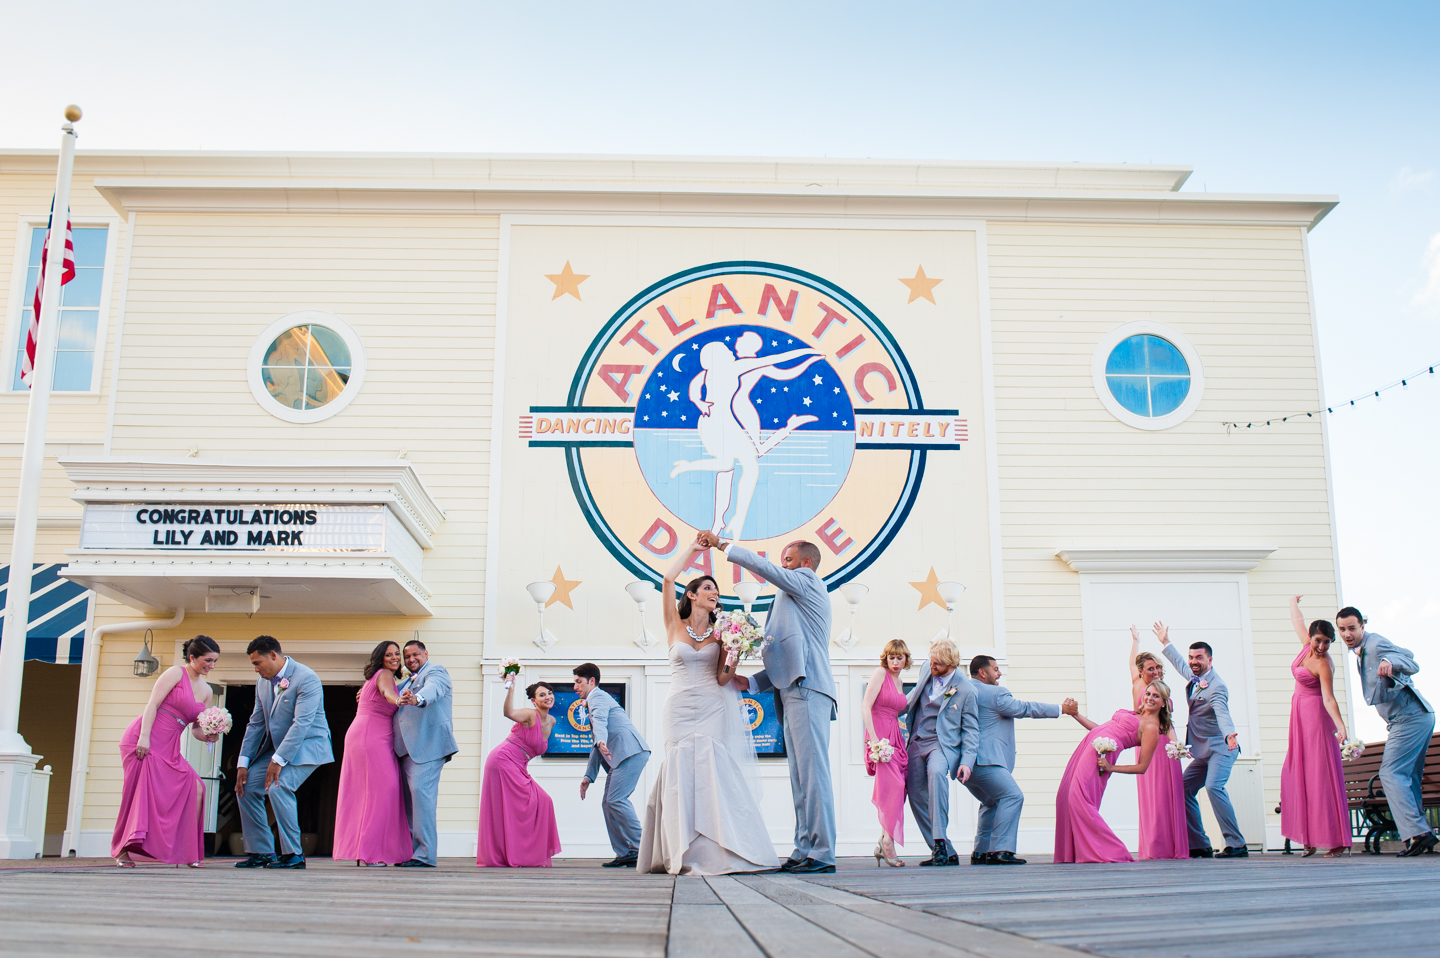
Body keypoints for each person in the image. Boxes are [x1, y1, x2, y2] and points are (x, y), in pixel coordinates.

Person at [637, 535, 778, 875]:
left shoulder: (723, 631)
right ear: (692, 594)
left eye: (717, 593)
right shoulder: (674, 624)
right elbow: (668, 579)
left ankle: (720, 851)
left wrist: (736, 652)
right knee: (679, 767)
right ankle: (678, 852)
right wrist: (693, 550)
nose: (715, 595)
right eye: (708, 590)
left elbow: (723, 679)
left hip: (713, 703)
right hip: (679, 705)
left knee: (713, 766)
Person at [702, 528, 836, 874]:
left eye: (788, 561)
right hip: (790, 690)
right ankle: (804, 847)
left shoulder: (806, 581)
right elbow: (786, 648)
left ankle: (821, 853)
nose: (782, 567)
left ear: (805, 563)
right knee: (800, 776)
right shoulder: (792, 597)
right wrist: (754, 681)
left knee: (813, 774)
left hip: (808, 688)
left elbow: (767, 572)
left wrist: (722, 545)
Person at [111, 635, 221, 867]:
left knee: (196, 787)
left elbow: (195, 729)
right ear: (192, 658)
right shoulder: (175, 673)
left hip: (171, 745)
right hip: (145, 737)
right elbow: (152, 704)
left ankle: (187, 851)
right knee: (138, 794)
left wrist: (210, 735)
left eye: (214, 662)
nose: (211, 666)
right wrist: (144, 738)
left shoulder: (207, 691)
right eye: (208, 660)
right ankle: (122, 850)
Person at [1336, 605, 1437, 856]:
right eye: (1342, 629)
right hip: (1412, 718)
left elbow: (1411, 662)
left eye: (1351, 628)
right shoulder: (1363, 650)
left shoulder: (1376, 644)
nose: (1347, 634)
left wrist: (1389, 660)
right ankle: (1419, 835)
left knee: (1390, 773)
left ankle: (1418, 833)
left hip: (1410, 717)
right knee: (1407, 777)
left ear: (1362, 626)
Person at [234, 636, 333, 869]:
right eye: (253, 665)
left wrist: (278, 761)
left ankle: (293, 855)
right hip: (277, 749)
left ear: (274, 655)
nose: (256, 669)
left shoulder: (307, 678)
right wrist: (243, 763)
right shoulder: (262, 683)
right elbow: (256, 724)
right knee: (245, 787)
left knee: (279, 786)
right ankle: (262, 851)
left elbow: (302, 724)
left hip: (308, 746)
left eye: (258, 663)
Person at [966, 654, 1076, 865]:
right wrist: (1061, 709)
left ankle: (981, 852)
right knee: (1012, 796)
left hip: (968, 765)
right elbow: (1025, 708)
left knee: (991, 801)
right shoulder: (996, 693)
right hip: (988, 760)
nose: (999, 673)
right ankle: (1001, 850)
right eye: (995, 669)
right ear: (983, 672)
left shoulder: (964, 691)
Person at [1055, 682, 1171, 863]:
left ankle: (1112, 850)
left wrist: (1110, 768)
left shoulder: (1152, 728)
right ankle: (1071, 853)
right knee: (1064, 795)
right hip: (1089, 745)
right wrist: (1075, 714)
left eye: (1156, 696)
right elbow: (1099, 729)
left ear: (1164, 702)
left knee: (1078, 798)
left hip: (1101, 756)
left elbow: (1142, 767)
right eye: (1148, 693)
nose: (1149, 698)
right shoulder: (1135, 714)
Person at [1160, 634, 1248, 858]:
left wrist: (1230, 735)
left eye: (1199, 657)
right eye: (1192, 657)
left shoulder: (1217, 687)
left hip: (1222, 748)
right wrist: (1166, 642)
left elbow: (1221, 711)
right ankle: (1200, 844)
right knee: (1183, 788)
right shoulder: (1196, 678)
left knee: (1213, 787)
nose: (1193, 661)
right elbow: (1180, 665)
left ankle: (1237, 844)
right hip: (1202, 750)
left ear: (1210, 660)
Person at [1281, 597, 1352, 857]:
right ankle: (1307, 835)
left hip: (1316, 719)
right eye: (1318, 640)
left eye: (1327, 642)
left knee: (1319, 776)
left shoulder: (1323, 664)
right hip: (1298, 716)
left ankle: (1336, 840)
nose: (1321, 646)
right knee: (1296, 773)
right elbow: (1297, 620)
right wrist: (1292, 602)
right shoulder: (1304, 647)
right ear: (1311, 638)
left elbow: (1329, 698)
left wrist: (1340, 726)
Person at [333, 641, 412, 865]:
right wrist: (397, 700)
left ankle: (365, 850)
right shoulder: (385, 674)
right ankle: (371, 853)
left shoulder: (374, 677)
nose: (395, 658)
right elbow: (387, 693)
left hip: (366, 734)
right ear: (380, 658)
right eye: (389, 655)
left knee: (368, 793)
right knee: (381, 792)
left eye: (397, 654)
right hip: (371, 737)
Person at [902, 638, 978, 867]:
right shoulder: (927, 668)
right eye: (932, 662)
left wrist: (967, 762)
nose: (932, 667)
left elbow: (972, 730)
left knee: (936, 776)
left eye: (938, 665)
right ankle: (943, 849)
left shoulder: (966, 690)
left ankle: (939, 844)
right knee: (915, 795)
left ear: (951, 664)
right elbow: (913, 697)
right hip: (916, 739)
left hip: (941, 744)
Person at [477, 680, 562, 867]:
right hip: (502, 760)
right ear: (533, 701)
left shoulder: (552, 721)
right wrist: (510, 690)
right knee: (516, 806)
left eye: (549, 693)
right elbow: (508, 713)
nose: (547, 697)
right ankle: (511, 853)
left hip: (519, 765)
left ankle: (526, 853)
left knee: (544, 801)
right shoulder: (530, 715)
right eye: (542, 695)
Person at [576, 662, 650, 868]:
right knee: (608, 803)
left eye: (578, 682)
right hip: (621, 756)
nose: (575, 687)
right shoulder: (593, 700)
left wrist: (601, 739)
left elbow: (599, 721)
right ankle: (626, 852)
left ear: (591, 681)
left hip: (631, 752)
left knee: (616, 800)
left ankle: (643, 848)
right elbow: (596, 745)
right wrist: (588, 777)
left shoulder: (597, 696)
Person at [393, 639, 457, 868]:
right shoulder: (404, 682)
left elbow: (432, 690)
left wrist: (418, 698)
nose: (411, 660)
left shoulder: (436, 672)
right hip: (405, 751)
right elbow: (389, 695)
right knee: (410, 804)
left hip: (428, 747)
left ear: (425, 654)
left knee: (422, 798)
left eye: (415, 655)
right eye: (407, 657)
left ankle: (425, 855)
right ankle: (412, 853)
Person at [1131, 624, 1187, 860]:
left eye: (1158, 668)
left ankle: (1167, 845)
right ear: (1142, 672)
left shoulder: (1150, 686)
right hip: (1154, 746)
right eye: (1150, 668)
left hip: (1166, 746)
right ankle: (1158, 847)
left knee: (1166, 796)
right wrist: (1135, 644)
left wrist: (1135, 642)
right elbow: (1132, 665)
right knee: (1156, 798)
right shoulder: (1144, 688)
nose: (1155, 671)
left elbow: (1168, 721)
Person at [861, 639, 911, 866]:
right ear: (886, 658)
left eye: (900, 658)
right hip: (879, 735)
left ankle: (884, 839)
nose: (895, 662)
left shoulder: (899, 681)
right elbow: (866, 706)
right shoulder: (880, 673)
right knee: (894, 785)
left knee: (900, 787)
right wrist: (873, 741)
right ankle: (888, 843)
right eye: (892, 657)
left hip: (895, 735)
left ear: (906, 659)